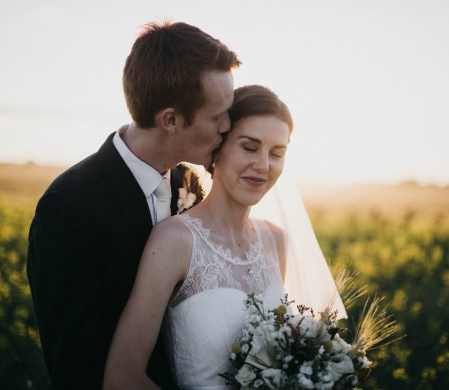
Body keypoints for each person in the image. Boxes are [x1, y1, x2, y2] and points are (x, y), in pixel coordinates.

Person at [26, 21, 240, 390]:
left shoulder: (187, 183)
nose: (228, 126)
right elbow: (75, 371)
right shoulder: (69, 208)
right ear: (170, 120)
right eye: (217, 115)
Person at [103, 85, 345, 389]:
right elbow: (122, 377)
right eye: (249, 146)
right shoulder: (175, 240)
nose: (263, 165)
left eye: (277, 153)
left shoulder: (276, 241)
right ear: (217, 148)